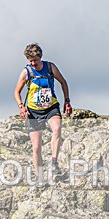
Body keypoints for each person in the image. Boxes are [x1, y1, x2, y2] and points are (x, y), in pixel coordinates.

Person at [13, 43, 72, 181]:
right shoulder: (26, 72)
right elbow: (16, 92)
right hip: (34, 111)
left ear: (41, 57)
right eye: (30, 61)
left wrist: (67, 101)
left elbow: (63, 82)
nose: (33, 63)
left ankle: (53, 162)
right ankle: (39, 178)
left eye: (35, 60)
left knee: (57, 128)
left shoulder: (50, 67)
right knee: (36, 147)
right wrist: (21, 106)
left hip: (51, 107)